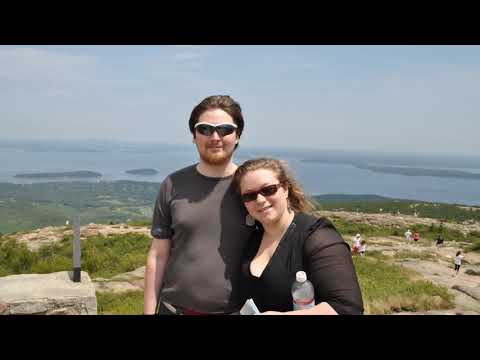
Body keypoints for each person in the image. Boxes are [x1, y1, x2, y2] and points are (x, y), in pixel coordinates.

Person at [144, 95, 255, 315]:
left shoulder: (253, 188)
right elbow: (158, 255)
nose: (215, 137)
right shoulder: (173, 184)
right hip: (174, 309)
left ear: (238, 135)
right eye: (205, 129)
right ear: (194, 136)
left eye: (225, 129)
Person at [233, 157, 364, 315]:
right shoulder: (252, 237)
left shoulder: (317, 236)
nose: (260, 200)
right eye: (249, 196)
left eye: (268, 190)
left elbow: (347, 307)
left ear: (285, 189)